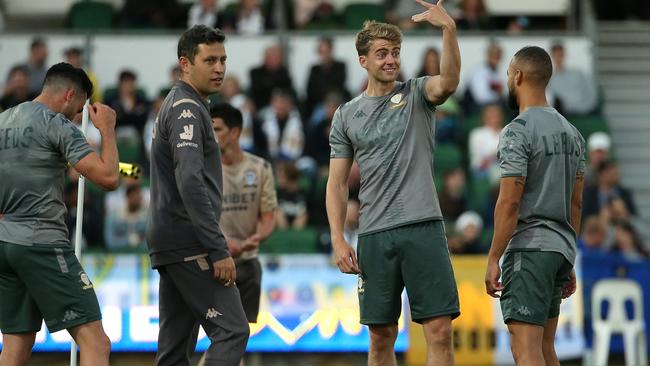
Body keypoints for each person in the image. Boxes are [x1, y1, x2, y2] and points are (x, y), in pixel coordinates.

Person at [325, 1, 461, 364]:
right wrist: (339, 238)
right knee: (381, 339)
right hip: (374, 234)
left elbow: (448, 82)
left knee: (440, 333)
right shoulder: (346, 115)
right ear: (363, 60)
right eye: (382, 53)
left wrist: (449, 30)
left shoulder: (418, 93)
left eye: (395, 53)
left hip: (423, 227)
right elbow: (337, 183)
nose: (390, 60)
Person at [0, 62, 119, 366]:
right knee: (96, 341)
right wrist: (106, 129)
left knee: (16, 345)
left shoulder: (3, 120)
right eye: (77, 108)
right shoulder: (55, 123)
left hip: (5, 245)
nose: (76, 117)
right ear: (68, 95)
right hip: (42, 243)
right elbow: (108, 178)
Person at [146, 25, 249, 366]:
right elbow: (190, 181)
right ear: (185, 64)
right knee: (232, 330)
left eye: (223, 60)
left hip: (172, 240)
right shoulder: (187, 109)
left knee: (174, 351)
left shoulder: (183, 105)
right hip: (189, 241)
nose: (219, 68)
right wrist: (216, 248)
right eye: (209, 60)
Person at [484, 46, 586, 366]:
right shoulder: (573, 133)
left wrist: (493, 257)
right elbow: (576, 203)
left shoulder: (518, 130)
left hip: (530, 248)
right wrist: (568, 257)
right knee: (545, 348)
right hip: (559, 249)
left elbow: (510, 201)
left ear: (518, 76)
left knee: (525, 349)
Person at [196, 102, 277, 366]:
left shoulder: (260, 168)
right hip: (215, 261)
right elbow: (199, 215)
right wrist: (223, 243)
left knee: (238, 336)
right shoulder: (203, 170)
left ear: (235, 132)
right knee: (224, 336)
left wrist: (257, 238)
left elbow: (268, 218)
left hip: (247, 262)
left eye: (216, 129)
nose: (211, 134)